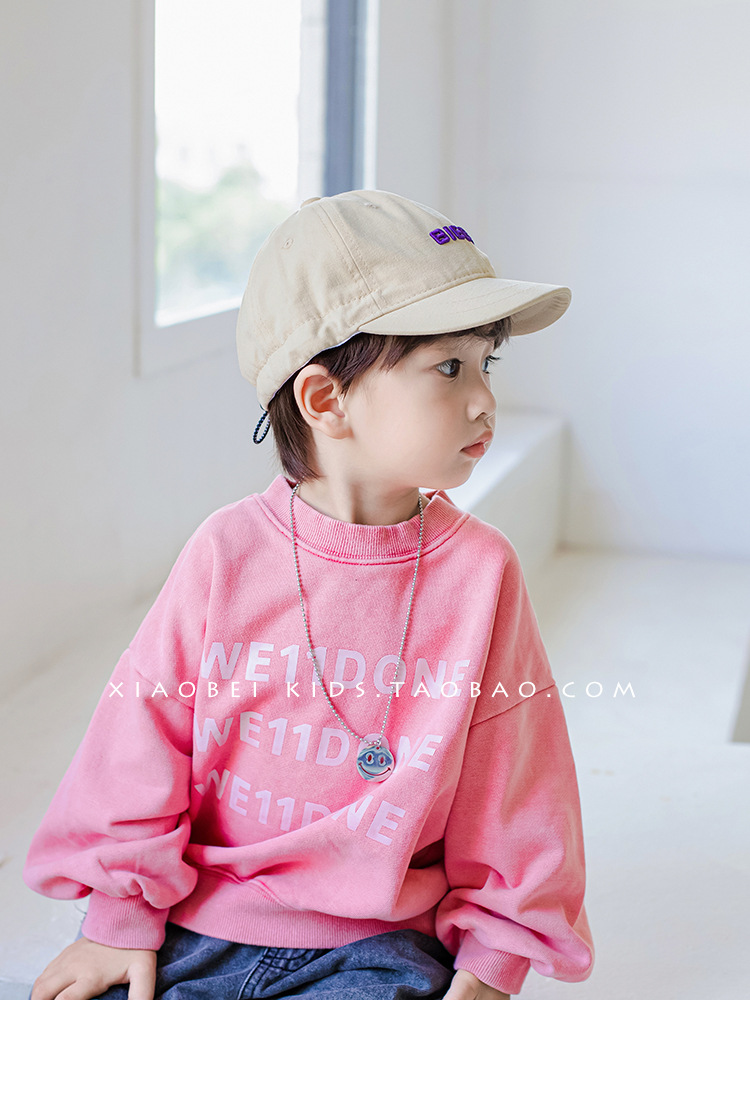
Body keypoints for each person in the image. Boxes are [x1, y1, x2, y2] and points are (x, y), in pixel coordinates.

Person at [24, 189, 594, 1000]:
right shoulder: (226, 553)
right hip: (199, 922)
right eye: (449, 367)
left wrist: (491, 967)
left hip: (379, 947)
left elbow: (518, 782)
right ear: (326, 400)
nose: (483, 400)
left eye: (485, 364)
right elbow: (141, 735)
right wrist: (117, 919)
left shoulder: (482, 573)